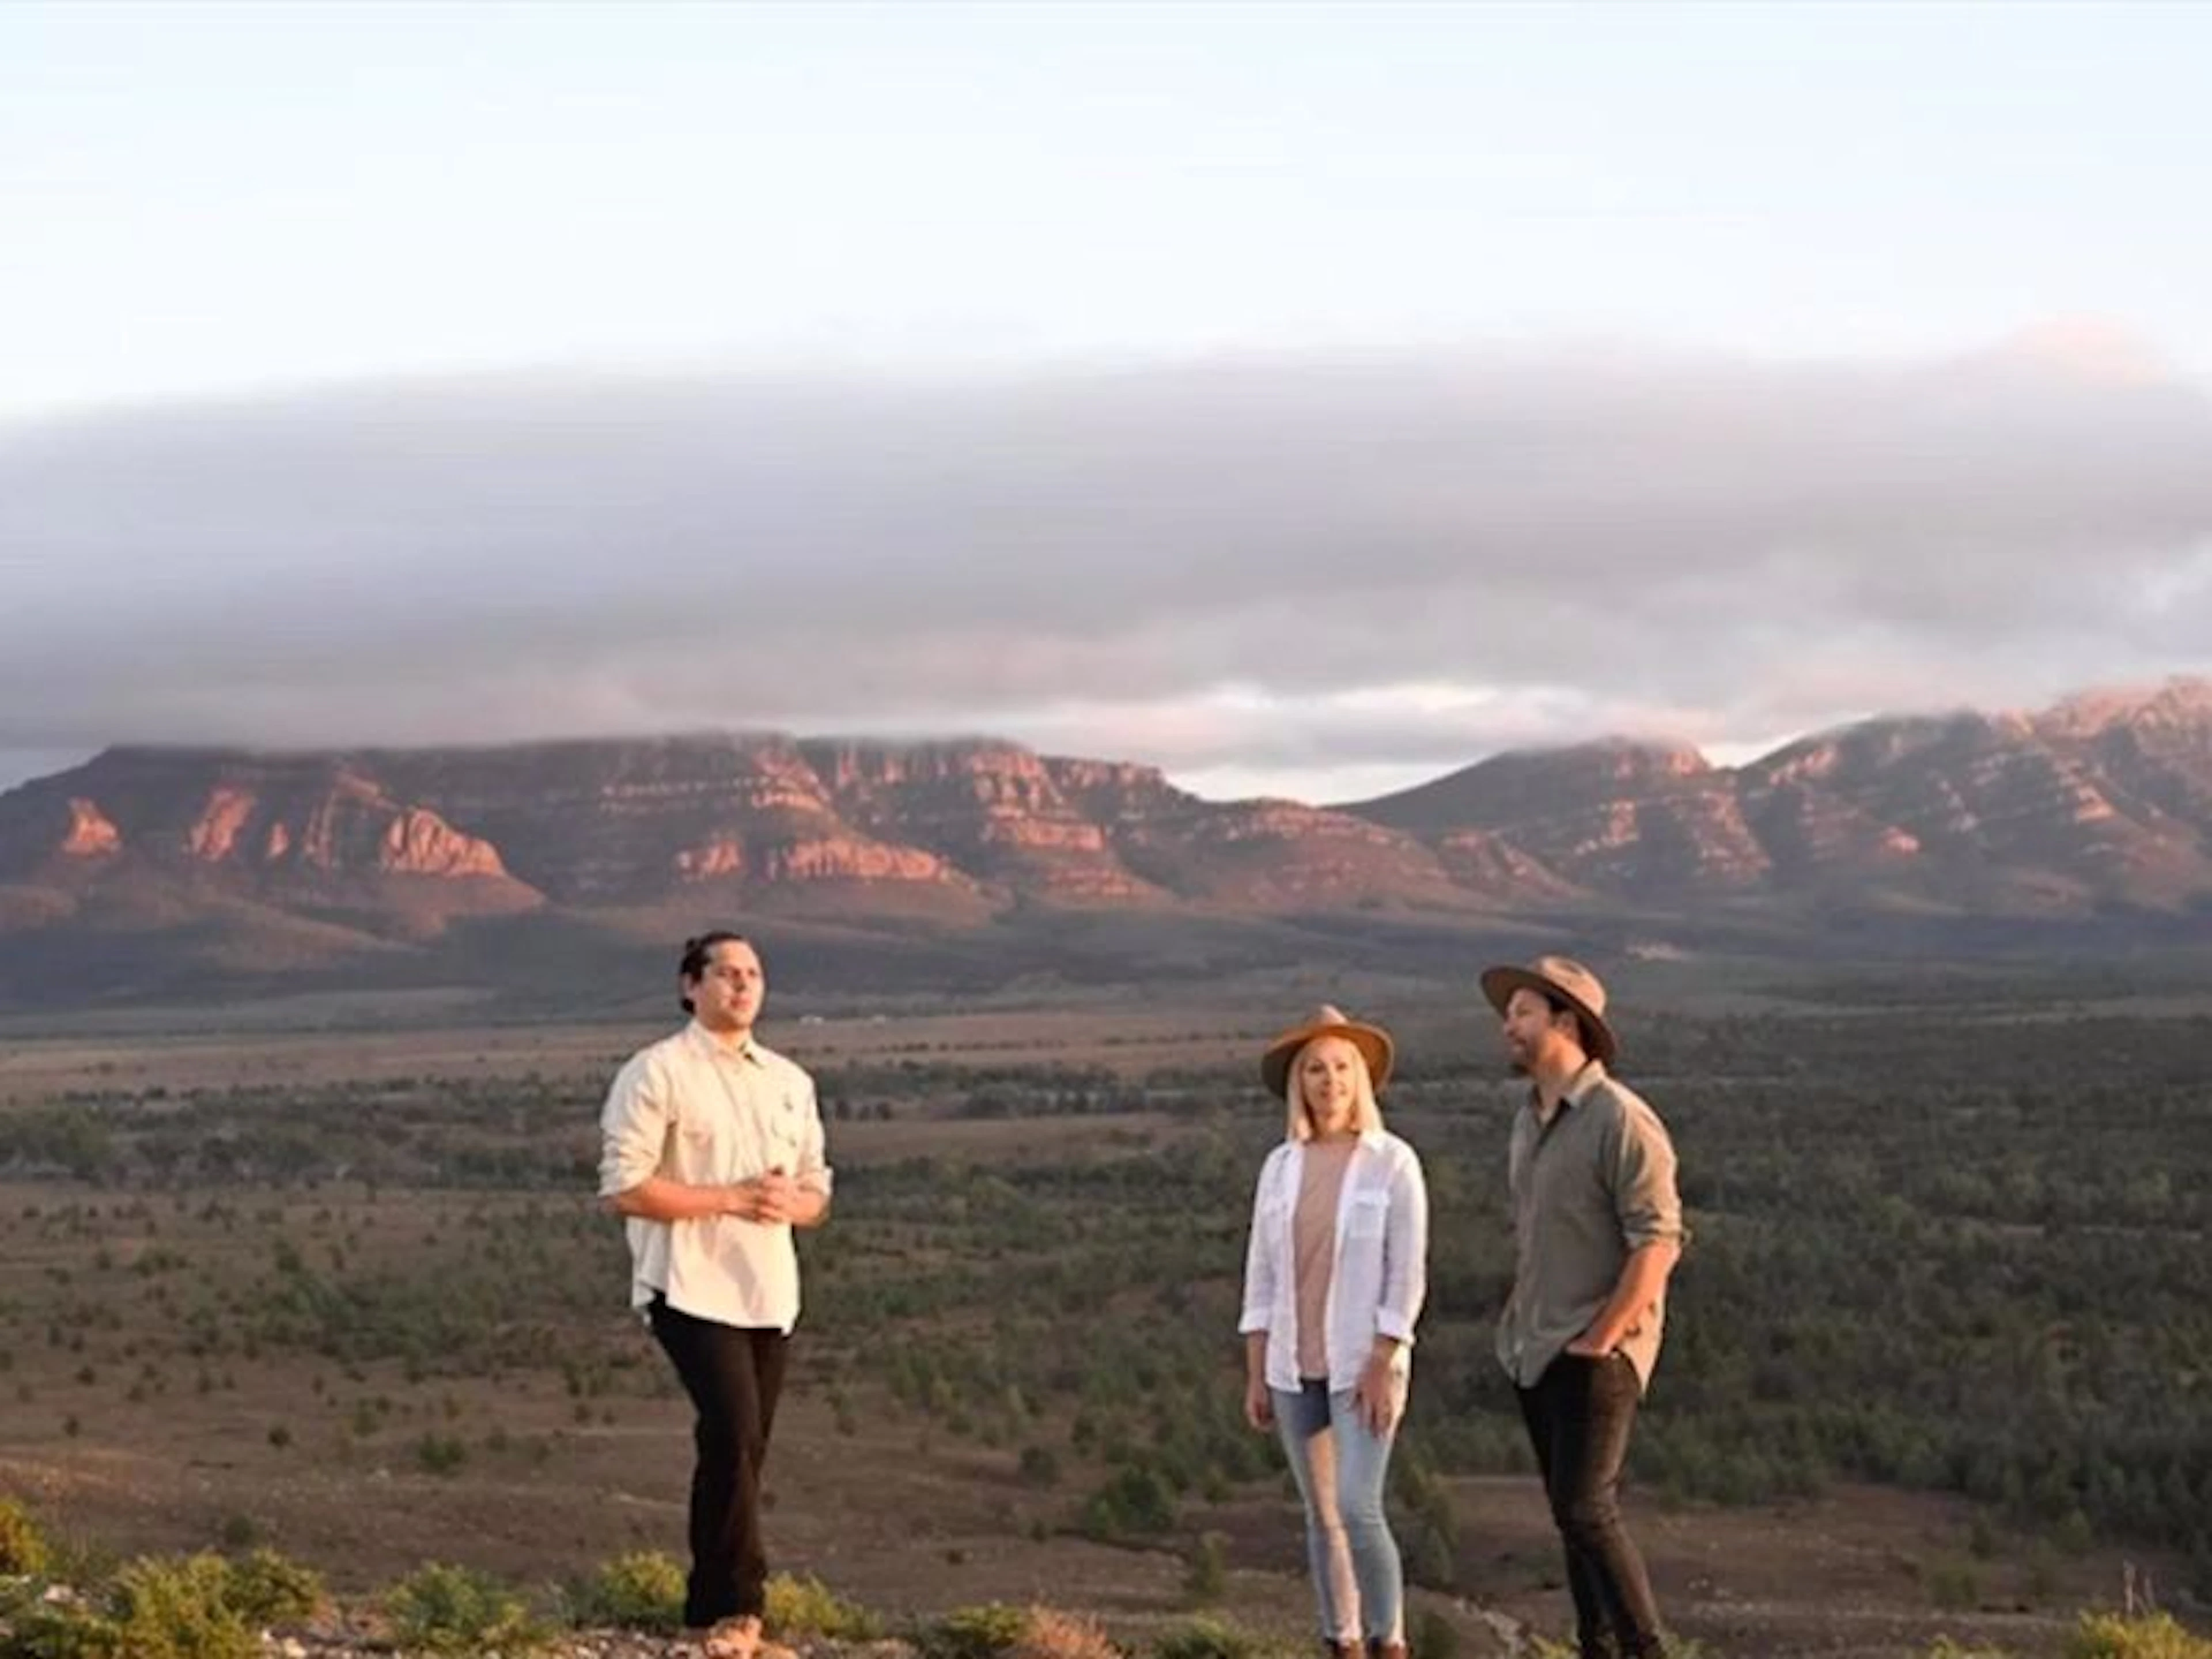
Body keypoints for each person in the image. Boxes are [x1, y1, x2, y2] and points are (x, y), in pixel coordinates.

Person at [599, 931, 832, 1659]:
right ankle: (739, 1612)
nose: (743, 985)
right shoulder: (656, 1072)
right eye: (727, 973)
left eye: (755, 974)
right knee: (732, 1433)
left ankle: (706, 1611)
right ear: (689, 986)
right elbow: (626, 1188)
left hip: (769, 1290)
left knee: (741, 1448)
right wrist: (730, 1198)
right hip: (688, 1284)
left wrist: (793, 1204)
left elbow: (818, 1186)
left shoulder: (789, 1082)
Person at [1480, 956, 1684, 1659]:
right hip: (1536, 1346)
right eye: (1509, 1015)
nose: (1508, 1025)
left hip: (1598, 1350)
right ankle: (1596, 1646)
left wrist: (1603, 1337)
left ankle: (1646, 1649)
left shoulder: (1619, 1119)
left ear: (1567, 1024)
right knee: (1570, 1518)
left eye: (1523, 1013)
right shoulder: (1528, 1120)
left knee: (1587, 1509)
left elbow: (1658, 1242)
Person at [1238, 1006, 1429, 1659]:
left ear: (1362, 1079)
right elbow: (1260, 1276)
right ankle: (1340, 1641)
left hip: (1363, 1365)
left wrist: (1383, 1359)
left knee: (1358, 1505)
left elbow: (1407, 1274)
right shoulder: (1280, 1167)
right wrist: (1258, 1369)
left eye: (1343, 1067)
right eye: (1316, 1069)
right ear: (1300, 1083)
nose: (1330, 1080)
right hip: (1294, 1365)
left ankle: (1389, 1641)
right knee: (1321, 1515)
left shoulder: (1392, 1163)